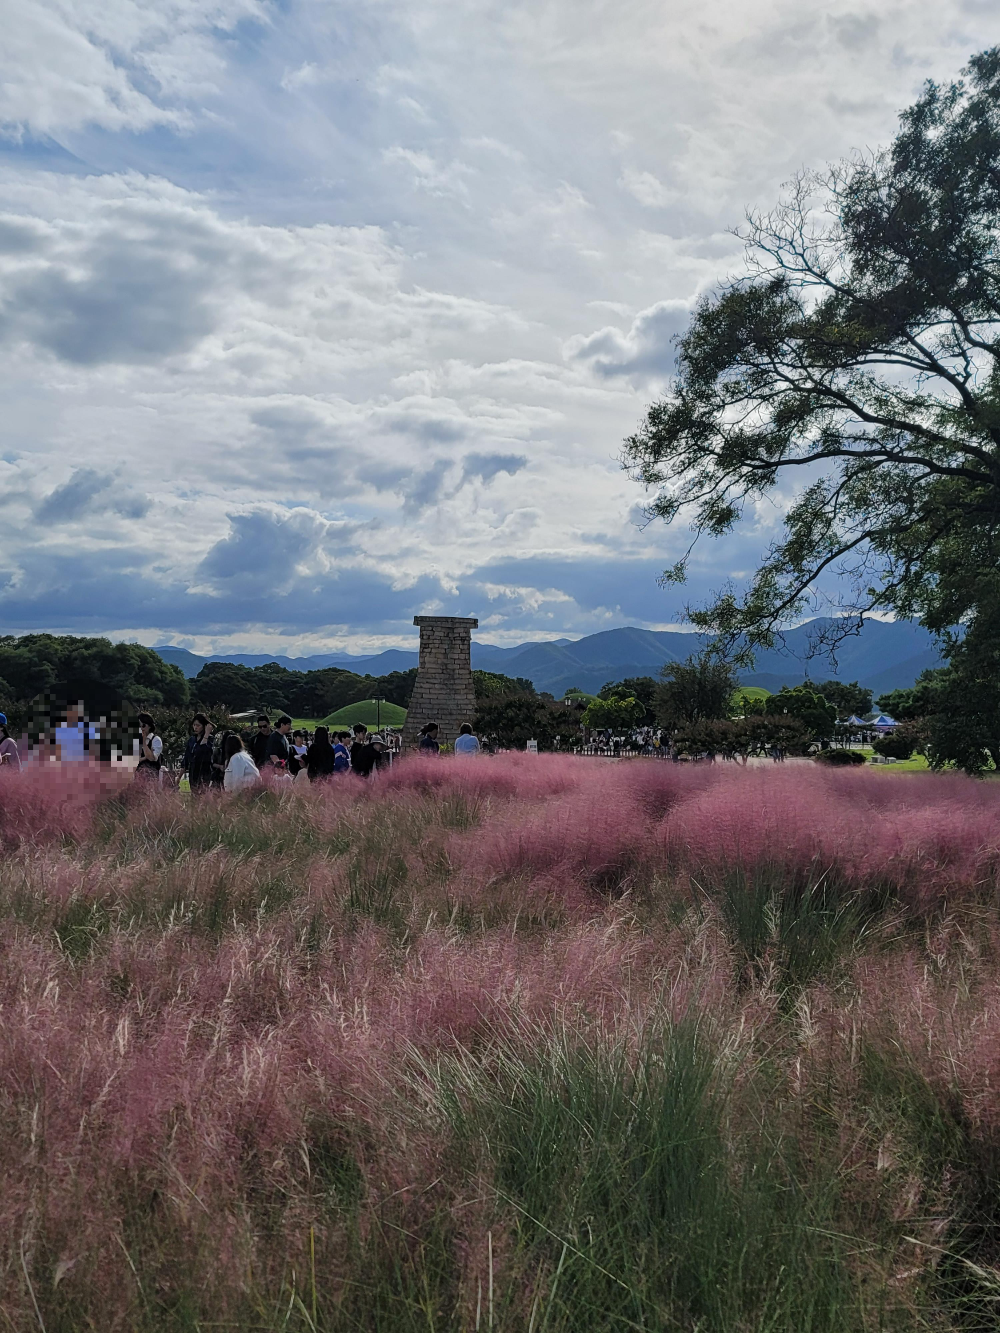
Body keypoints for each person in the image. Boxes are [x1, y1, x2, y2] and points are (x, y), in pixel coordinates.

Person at [182, 713, 215, 791]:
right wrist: (180, 775)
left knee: (202, 794)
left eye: (198, 725)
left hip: (204, 771)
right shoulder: (192, 740)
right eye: (194, 725)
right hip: (193, 771)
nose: (195, 728)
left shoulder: (210, 739)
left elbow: (202, 750)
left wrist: (207, 734)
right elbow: (187, 756)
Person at [135, 711, 163, 780]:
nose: (141, 728)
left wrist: (144, 743)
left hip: (151, 778)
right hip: (137, 778)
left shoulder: (155, 740)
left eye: (143, 725)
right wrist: (145, 757)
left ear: (150, 726)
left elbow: (152, 758)